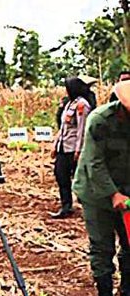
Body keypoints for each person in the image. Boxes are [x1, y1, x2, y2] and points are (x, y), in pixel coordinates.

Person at [73, 80, 130, 296]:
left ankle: (127, 290)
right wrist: (113, 193)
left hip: (126, 191)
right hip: (95, 191)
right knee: (102, 244)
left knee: (129, 243)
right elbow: (94, 163)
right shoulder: (100, 120)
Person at [51, 78, 91, 219]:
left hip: (73, 148)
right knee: (60, 175)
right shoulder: (70, 104)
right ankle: (66, 207)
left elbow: (82, 129)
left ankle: (87, 207)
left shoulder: (82, 105)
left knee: (80, 179)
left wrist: (78, 150)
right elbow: (63, 128)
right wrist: (56, 145)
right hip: (64, 146)